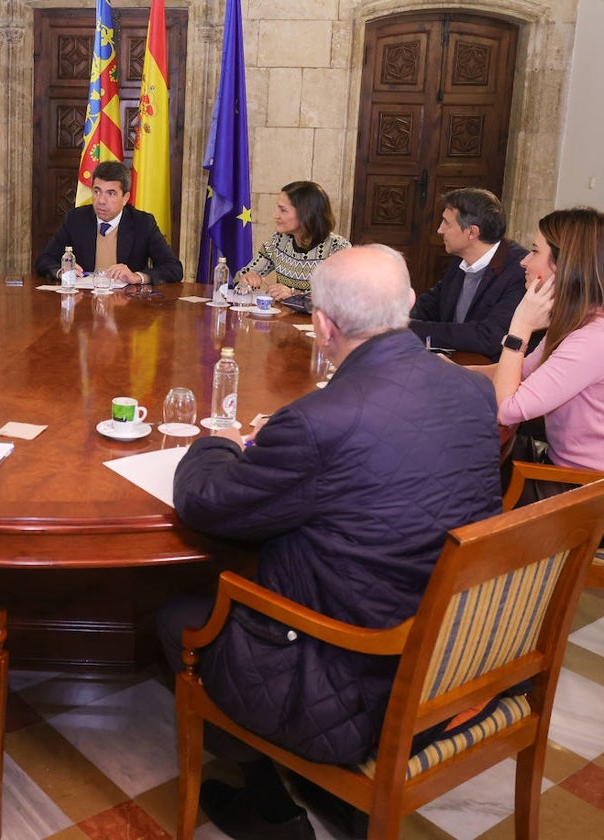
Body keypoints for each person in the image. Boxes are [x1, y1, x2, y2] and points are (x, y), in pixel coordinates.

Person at [159, 245, 501, 839]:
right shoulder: (472, 392)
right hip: (457, 654)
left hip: (355, 679)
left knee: (177, 615)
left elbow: (206, 504)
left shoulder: (320, 421)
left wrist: (217, 443)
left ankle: (271, 810)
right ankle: (330, 789)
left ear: (321, 325)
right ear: (410, 305)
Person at [486, 207, 604, 473]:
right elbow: (521, 372)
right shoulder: (578, 319)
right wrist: (449, 370)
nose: (523, 261)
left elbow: (504, 409)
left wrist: (521, 327)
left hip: (583, 488)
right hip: (562, 468)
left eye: (535, 251)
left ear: (566, 264)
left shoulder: (591, 340)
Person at [409, 188, 528, 360]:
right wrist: (395, 320)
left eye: (446, 223)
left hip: (488, 372)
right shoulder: (461, 258)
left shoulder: (519, 271)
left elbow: (488, 337)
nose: (439, 230)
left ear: (472, 232)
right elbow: (432, 303)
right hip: (456, 362)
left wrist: (410, 327)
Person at [35, 160, 183, 285]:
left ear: (125, 198)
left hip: (128, 307)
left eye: (110, 193)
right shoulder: (76, 219)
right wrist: (63, 271)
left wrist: (137, 277)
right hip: (84, 304)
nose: (101, 201)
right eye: (97, 191)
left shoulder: (142, 223)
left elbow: (174, 268)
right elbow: (44, 260)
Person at [238, 180, 350, 300]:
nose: (275, 215)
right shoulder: (277, 241)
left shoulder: (338, 248)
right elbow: (243, 276)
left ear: (306, 214)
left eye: (283, 210)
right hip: (283, 317)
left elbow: (340, 298)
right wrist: (246, 280)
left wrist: (294, 295)